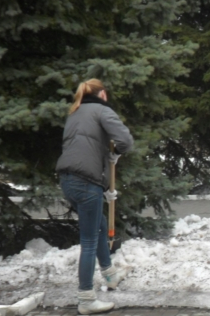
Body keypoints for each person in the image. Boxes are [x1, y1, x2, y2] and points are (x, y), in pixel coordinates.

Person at [55, 79, 135, 314]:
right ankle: (86, 299)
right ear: (102, 93)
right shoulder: (102, 110)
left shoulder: (74, 113)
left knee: (99, 225)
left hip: (67, 180)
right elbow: (126, 141)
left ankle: (110, 275)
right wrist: (117, 153)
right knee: (89, 241)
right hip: (86, 182)